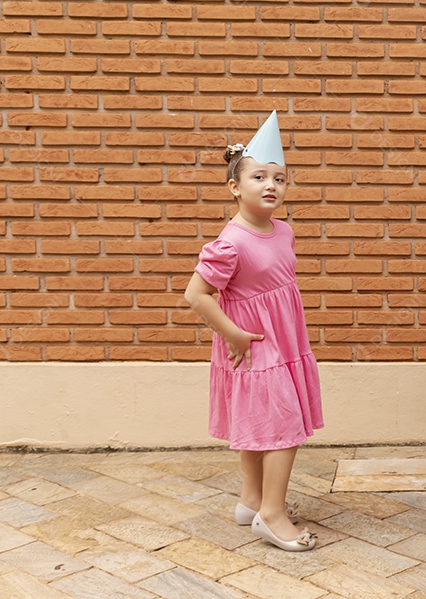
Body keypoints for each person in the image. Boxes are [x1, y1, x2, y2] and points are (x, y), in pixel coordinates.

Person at [184, 111, 322, 552]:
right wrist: (234, 334)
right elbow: (197, 294)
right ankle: (272, 514)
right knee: (283, 425)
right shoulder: (231, 242)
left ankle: (252, 500)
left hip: (284, 342)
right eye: (259, 177)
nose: (270, 186)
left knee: (264, 421)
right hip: (255, 345)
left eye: (279, 179)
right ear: (235, 186)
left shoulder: (283, 231)